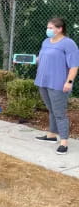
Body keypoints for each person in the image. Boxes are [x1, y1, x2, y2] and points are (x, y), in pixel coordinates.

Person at [34, 18, 79, 155]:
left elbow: (74, 65)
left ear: (60, 29)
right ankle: (52, 135)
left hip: (58, 84)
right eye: (48, 27)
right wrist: (31, 60)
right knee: (51, 109)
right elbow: (41, 58)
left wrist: (69, 82)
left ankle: (64, 142)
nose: (48, 30)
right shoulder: (46, 42)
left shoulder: (68, 43)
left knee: (59, 113)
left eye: (51, 28)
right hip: (43, 81)